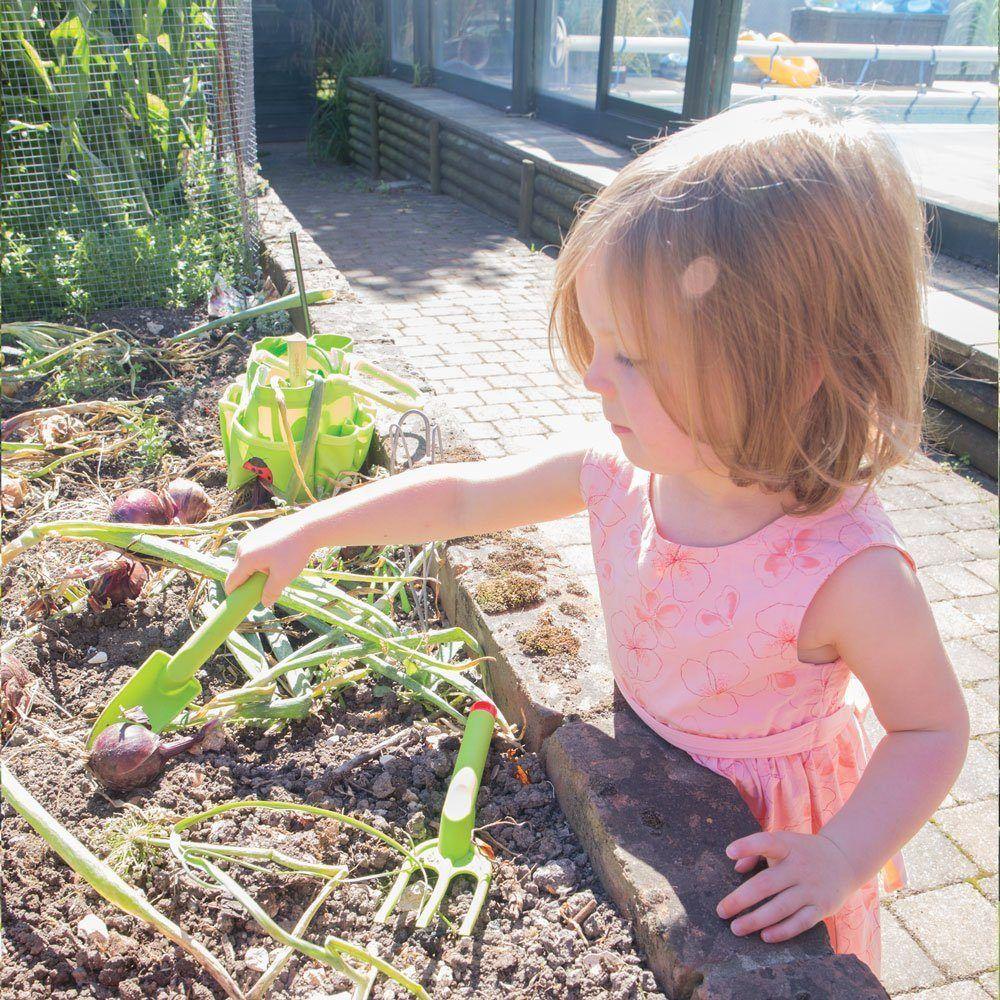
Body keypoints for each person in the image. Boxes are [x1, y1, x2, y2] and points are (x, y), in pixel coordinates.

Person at [226, 99, 970, 978]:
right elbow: (465, 496)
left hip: (770, 853)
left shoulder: (847, 570)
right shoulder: (624, 472)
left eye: (634, 357)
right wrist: (316, 527)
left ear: (794, 369)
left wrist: (841, 857)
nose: (591, 376)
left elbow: (931, 730)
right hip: (648, 775)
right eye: (599, 344)